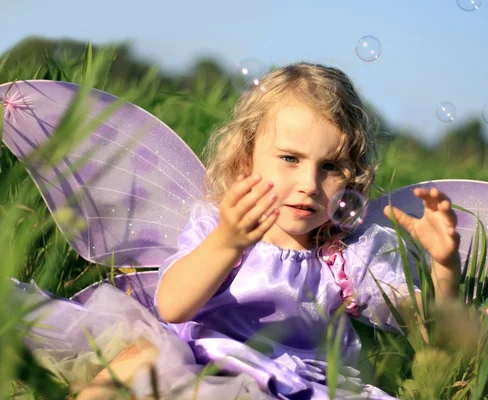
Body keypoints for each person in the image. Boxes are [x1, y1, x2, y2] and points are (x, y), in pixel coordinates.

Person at [20, 63, 461, 399]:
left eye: (329, 167)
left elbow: (428, 333)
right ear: (247, 158)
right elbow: (172, 306)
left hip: (293, 386)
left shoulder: (346, 257)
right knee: (137, 362)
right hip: (200, 359)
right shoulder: (219, 225)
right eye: (289, 159)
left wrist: (444, 270)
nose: (308, 184)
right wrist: (227, 241)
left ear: (351, 178)